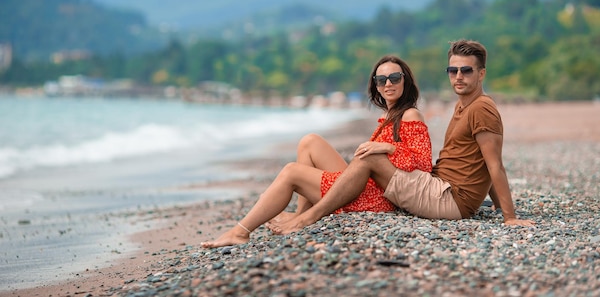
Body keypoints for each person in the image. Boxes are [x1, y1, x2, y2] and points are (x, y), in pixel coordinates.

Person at [269, 39, 535, 234]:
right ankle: (303, 213)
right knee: (314, 143)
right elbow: (479, 162)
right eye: (453, 71)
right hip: (443, 189)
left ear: (481, 73)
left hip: (450, 199)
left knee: (369, 159)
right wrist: (498, 207)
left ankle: (307, 218)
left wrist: (509, 217)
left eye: (466, 70)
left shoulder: (482, 108)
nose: (458, 76)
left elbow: (494, 164)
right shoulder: (464, 105)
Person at [201, 55, 433, 248]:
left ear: (406, 82)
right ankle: (302, 211)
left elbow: (423, 165)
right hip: (365, 184)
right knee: (310, 141)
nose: (388, 84)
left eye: (394, 78)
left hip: (376, 197)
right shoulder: (388, 117)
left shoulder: (410, 114)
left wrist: (388, 147)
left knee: (291, 171)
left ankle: (240, 231)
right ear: (375, 85)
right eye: (381, 79)